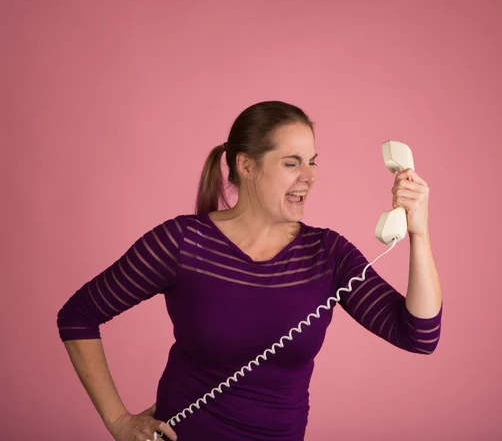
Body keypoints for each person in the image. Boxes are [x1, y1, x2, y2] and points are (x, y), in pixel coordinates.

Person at [57, 101, 443, 441]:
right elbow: (78, 316)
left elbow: (419, 335)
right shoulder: (182, 242)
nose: (308, 176)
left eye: (312, 162)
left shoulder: (328, 254)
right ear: (246, 165)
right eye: (291, 163)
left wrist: (418, 232)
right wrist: (118, 421)